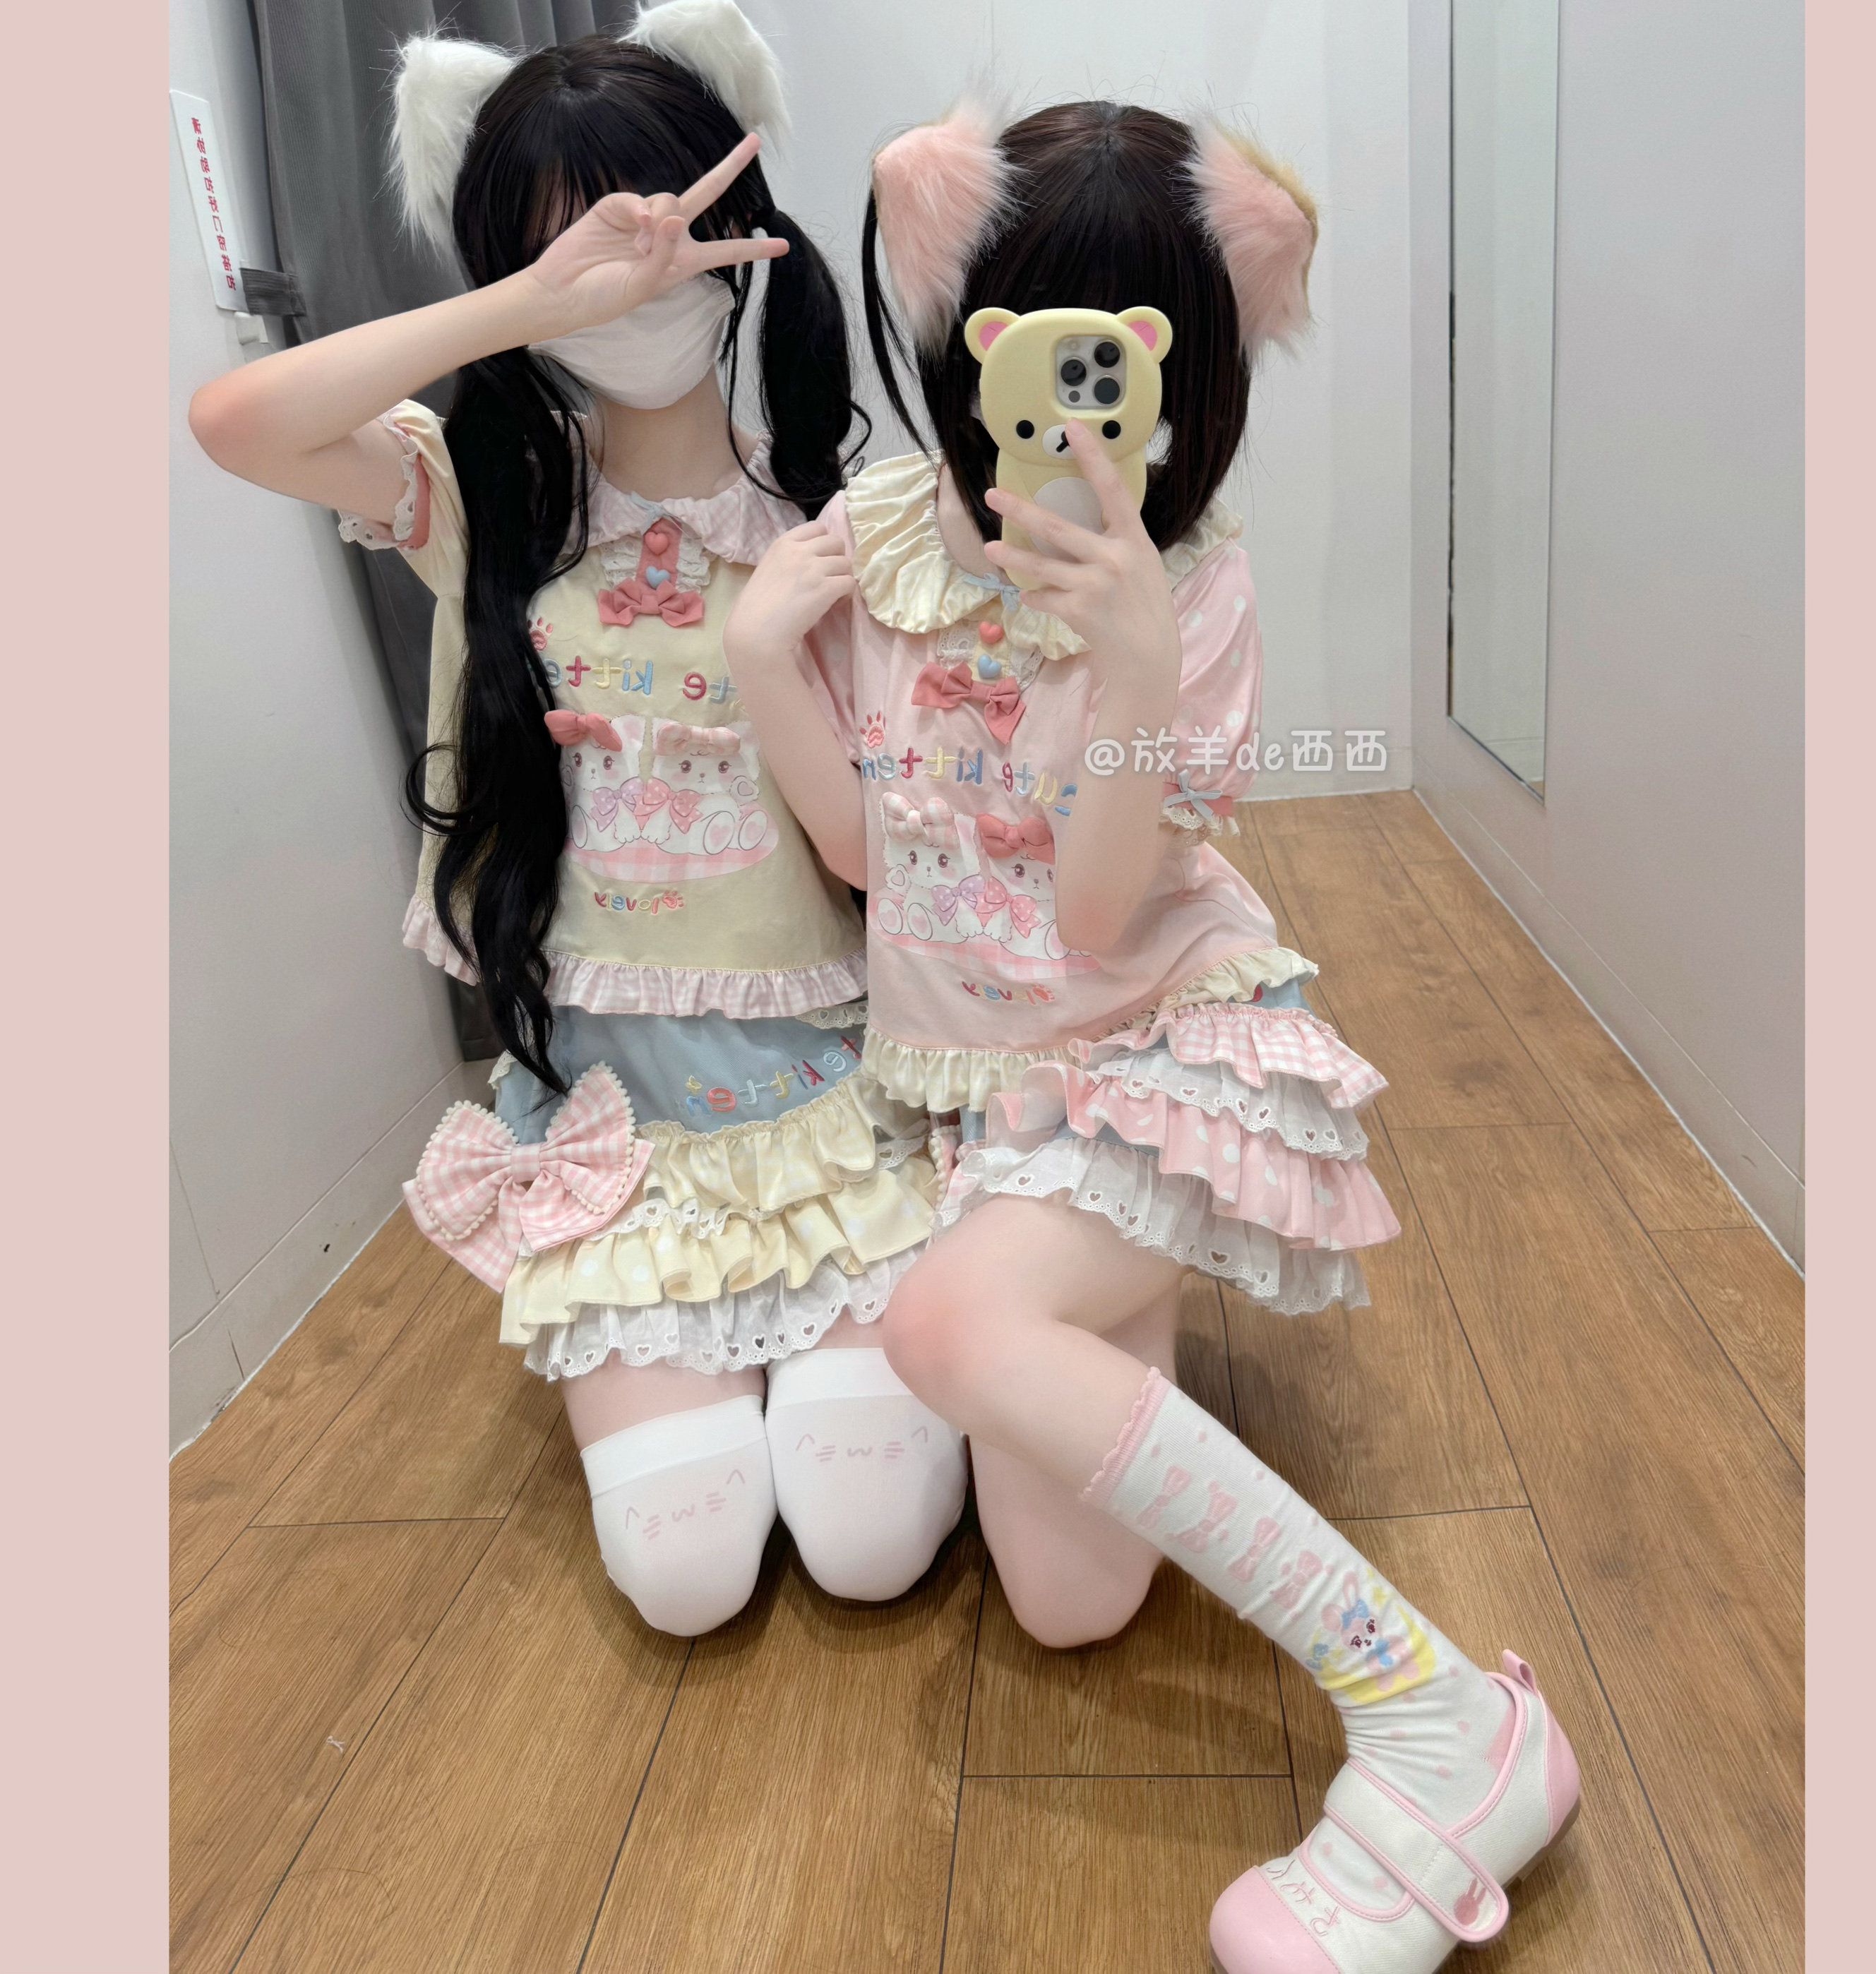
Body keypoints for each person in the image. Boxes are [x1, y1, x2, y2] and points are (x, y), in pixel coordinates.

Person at [722, 97, 1580, 1970]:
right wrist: (756, 658)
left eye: (1122, 361)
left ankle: (1441, 1712)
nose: (1074, 408)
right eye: (1035, 347)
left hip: (1150, 1049)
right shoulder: (878, 541)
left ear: (1185, 369)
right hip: (977, 1085)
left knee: (947, 1330)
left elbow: (1102, 916)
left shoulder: (1194, 589)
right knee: (1069, 1609)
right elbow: (864, 852)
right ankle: (1088, 1306)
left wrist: (1125, 662)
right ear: (968, 336)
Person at [188, 4, 965, 1640]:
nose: (632, 280)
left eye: (661, 231)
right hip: (617, 1119)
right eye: (573, 247)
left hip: (829, 1092)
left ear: (739, 233)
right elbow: (236, 420)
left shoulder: (831, 520)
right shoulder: (489, 500)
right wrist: (529, 304)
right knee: (686, 1577)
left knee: (868, 1543)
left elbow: (881, 852)